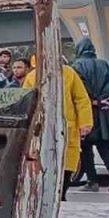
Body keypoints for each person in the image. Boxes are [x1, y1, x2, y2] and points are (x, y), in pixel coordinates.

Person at [24, 57, 93, 201]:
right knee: (43, 160)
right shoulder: (33, 76)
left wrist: (85, 123)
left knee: (67, 162)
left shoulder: (69, 73)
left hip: (66, 125)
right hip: (41, 126)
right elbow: (26, 101)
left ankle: (62, 193)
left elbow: (81, 99)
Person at [71, 39, 109, 193]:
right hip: (103, 111)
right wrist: (102, 99)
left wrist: (92, 100)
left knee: (85, 147)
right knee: (103, 144)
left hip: (86, 111)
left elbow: (78, 88)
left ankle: (92, 181)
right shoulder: (105, 65)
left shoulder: (76, 66)